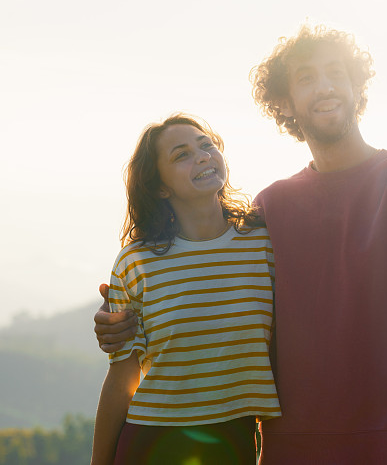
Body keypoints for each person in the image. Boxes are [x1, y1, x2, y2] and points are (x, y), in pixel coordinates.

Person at [95, 24, 387, 464]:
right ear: (285, 101)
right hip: (290, 452)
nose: (324, 86)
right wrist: (126, 321)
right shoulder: (272, 208)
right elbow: (209, 283)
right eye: (306, 77)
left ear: (355, 86)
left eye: (335, 72)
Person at [90, 114, 280, 465]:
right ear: (161, 187)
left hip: (234, 441)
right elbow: (122, 376)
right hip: (150, 441)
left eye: (205, 145)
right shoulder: (136, 262)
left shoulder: (265, 244)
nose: (203, 155)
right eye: (181, 155)